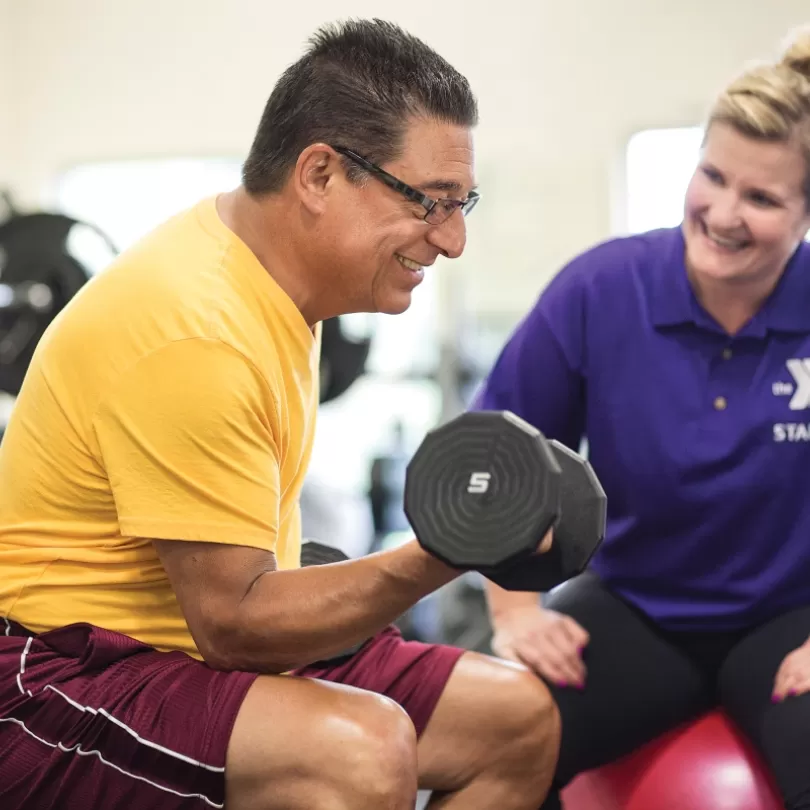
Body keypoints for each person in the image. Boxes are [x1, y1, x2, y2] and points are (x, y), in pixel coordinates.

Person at [0, 19, 560, 810]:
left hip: (189, 650)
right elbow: (234, 623)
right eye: (430, 204)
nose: (454, 239)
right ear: (320, 175)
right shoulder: (196, 328)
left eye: (461, 203)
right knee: (357, 753)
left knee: (514, 717)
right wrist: (444, 551)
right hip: (63, 674)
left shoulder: (279, 285)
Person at [472, 27, 810, 810]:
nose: (723, 213)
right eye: (712, 176)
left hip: (790, 618)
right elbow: (497, 454)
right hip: (636, 608)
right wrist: (514, 610)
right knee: (487, 735)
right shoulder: (601, 290)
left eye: (761, 198)